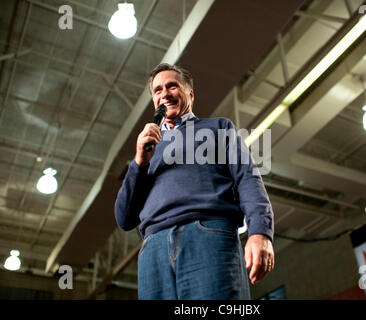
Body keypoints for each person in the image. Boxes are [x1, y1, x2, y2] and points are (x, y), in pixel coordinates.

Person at [114, 63, 274, 300]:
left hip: (207, 235)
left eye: (172, 86)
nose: (164, 94)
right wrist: (139, 162)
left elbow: (247, 179)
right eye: (157, 91)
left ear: (190, 93)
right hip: (153, 249)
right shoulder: (147, 150)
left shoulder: (217, 128)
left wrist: (260, 232)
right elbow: (124, 217)